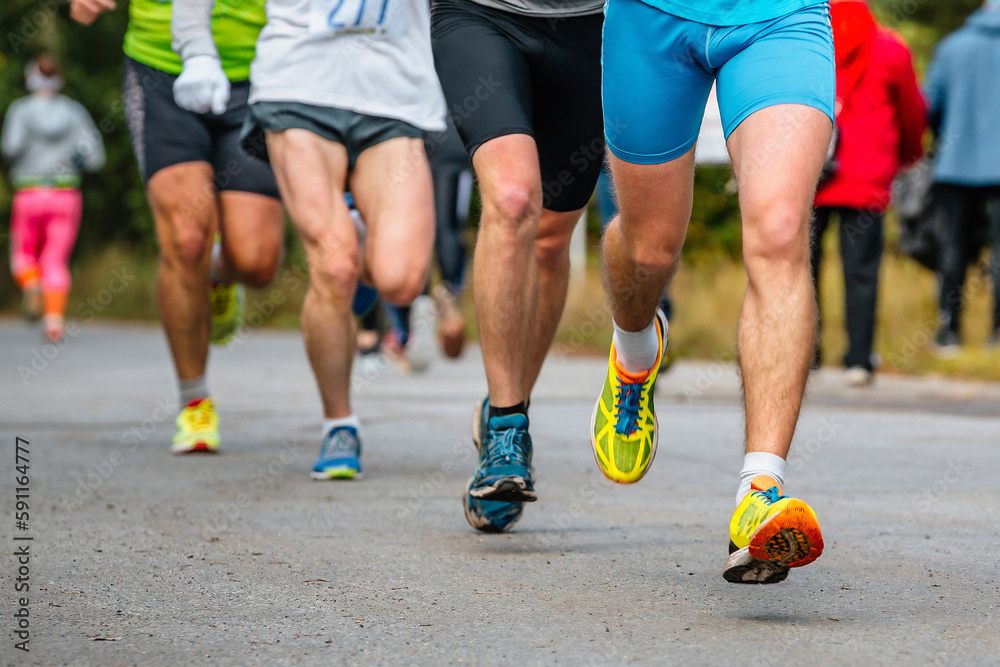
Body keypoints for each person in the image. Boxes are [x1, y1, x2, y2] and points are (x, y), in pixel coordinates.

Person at [594, 0, 834, 583]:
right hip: (652, 16)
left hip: (782, 17)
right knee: (650, 249)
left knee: (779, 233)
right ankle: (635, 351)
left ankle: (761, 490)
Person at [174, 0, 446, 479]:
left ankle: (357, 233)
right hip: (298, 85)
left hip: (397, 93)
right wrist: (197, 52)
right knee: (335, 264)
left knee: (401, 280)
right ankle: (340, 423)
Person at [70, 0, 284, 454]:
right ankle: (195, 402)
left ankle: (218, 272)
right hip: (161, 65)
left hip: (261, 70)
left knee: (257, 262)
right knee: (186, 239)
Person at [430, 0, 605, 532]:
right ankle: (508, 432)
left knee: (551, 240)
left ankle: (507, 405)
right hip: (480, 14)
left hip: (594, 25)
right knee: (511, 198)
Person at [811, 0, 925, 386]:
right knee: (861, 272)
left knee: (799, 269)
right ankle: (858, 361)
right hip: (868, 178)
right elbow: (912, 113)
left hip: (811, 172)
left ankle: (806, 355)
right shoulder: (890, 48)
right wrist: (908, 157)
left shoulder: (808, 40)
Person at [2, 54, 105, 342]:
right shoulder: (75, 112)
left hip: (30, 192)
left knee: (22, 253)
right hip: (65, 194)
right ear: (58, 79)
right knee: (55, 261)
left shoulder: (20, 110)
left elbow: (11, 147)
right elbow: (95, 158)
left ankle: (31, 285)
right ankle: (54, 322)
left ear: (30, 78)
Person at [925, 0, 1000, 353]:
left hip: (955, 167)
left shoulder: (951, 47)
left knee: (953, 249)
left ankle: (950, 332)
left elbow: (931, 106)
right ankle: (996, 334)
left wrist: (944, 137)